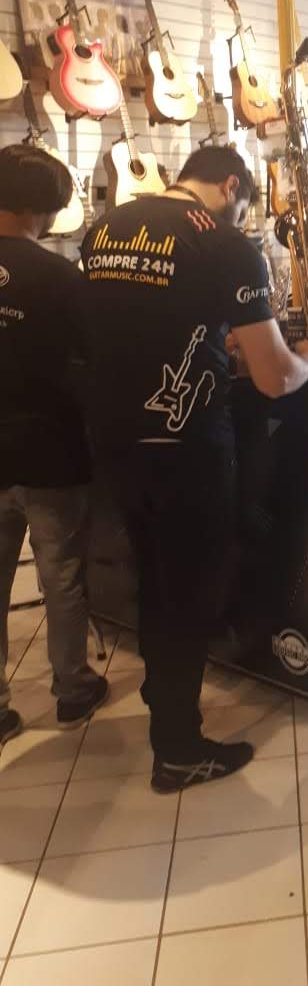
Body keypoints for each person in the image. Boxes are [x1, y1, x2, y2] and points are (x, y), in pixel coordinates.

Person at [81, 146, 308, 792]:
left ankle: (163, 696)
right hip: (186, 447)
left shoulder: (105, 229)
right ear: (231, 186)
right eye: (243, 204)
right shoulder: (225, 244)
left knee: (152, 578)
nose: (241, 215)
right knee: (189, 592)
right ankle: (178, 747)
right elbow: (274, 378)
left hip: (113, 441)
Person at [0, 144, 107, 743]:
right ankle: (72, 689)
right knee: (61, 577)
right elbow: (92, 363)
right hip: (51, 450)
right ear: (46, 208)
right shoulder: (62, 277)